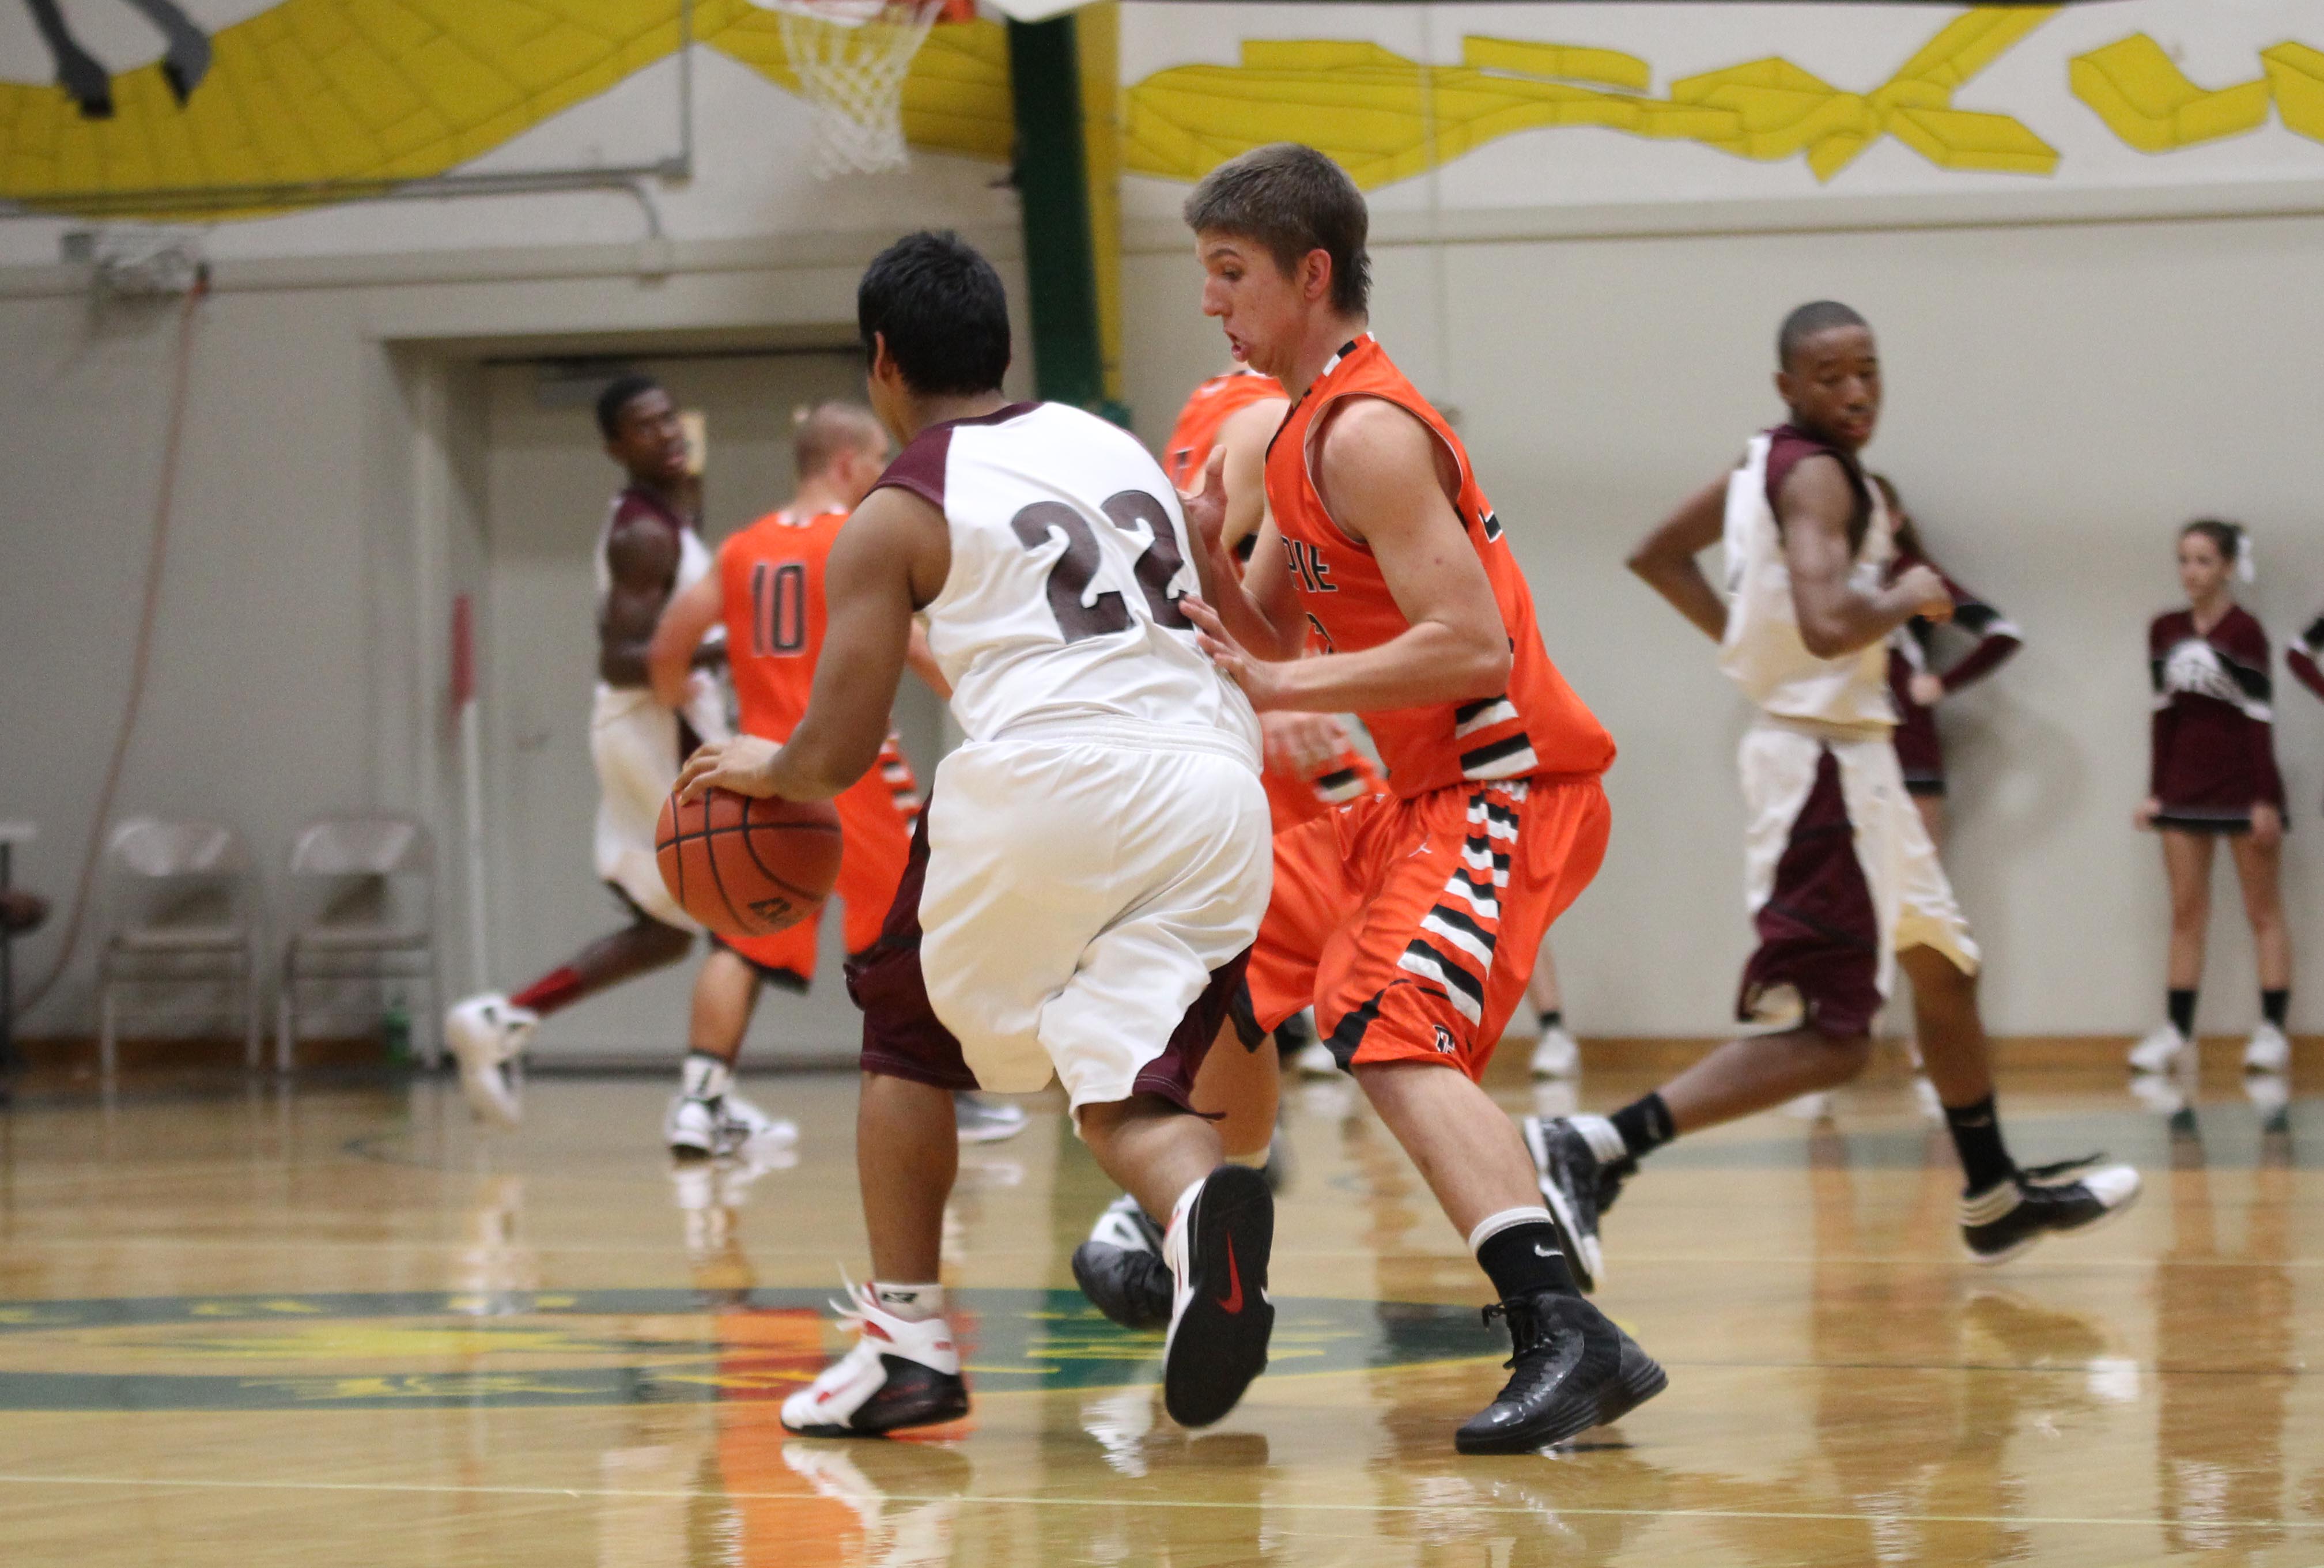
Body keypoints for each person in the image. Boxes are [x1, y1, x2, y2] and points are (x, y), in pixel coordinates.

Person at [1087, 143, 1664, 1454]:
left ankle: (1564, 1329)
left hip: (1506, 781)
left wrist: (1280, 676)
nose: (1209, 301)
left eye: (1229, 273)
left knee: (1385, 1022)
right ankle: (1200, 1219)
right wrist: (1203, 558)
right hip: (1413, 798)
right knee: (1234, 957)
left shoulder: (1367, 432)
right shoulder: (1297, 435)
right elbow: (1268, 637)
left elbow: (1471, 647)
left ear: (1311, 274)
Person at [675, 230, 1278, 1437]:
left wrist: (762, 763)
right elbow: (1237, 621)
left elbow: (834, 754)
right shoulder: (1111, 446)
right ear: (999, 349)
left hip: (1056, 779)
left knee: (906, 1039)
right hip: (1217, 788)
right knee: (1121, 1073)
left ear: (881, 360)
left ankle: (907, 1347)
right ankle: (1195, 1214)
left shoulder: (899, 507)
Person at [1538, 301, 2138, 1280]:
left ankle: (1991, 1192)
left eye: (1867, 371)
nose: (1855, 393)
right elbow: (1825, 625)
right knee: (1830, 1041)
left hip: (1849, 756)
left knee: (1943, 970)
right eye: (1830, 378)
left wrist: (1752, 647)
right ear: (1788, 387)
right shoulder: (1819, 476)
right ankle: (1596, 1145)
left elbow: (1657, 555)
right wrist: (1909, 594)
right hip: (1821, 767)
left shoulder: (1761, 464)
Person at [645, 403, 1024, 1156]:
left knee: (740, 942)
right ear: (846, 462)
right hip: (853, 764)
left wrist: (689, 707)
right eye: (878, 457)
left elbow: (666, 653)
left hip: (758, 773)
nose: (884, 471)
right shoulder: (856, 537)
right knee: (913, 930)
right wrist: (1004, 714)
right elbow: (918, 651)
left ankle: (698, 1101)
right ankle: (940, 1093)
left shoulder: (742, 549)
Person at [441, 376, 784, 1150]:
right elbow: (624, 658)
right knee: (750, 902)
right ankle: (707, 1101)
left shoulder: (673, 514)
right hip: (653, 726)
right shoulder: (643, 535)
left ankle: (505, 1019)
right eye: (643, 425)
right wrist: (730, 644)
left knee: (666, 931)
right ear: (614, 447)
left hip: (658, 725)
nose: (665, 432)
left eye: (669, 417)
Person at [1163, 360, 1385, 1085]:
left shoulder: (1207, 402)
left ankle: (1270, 1048)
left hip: (1211, 697)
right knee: (1387, 863)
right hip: (1240, 697)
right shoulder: (1267, 420)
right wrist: (1276, 692)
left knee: (1242, 906)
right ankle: (1342, 1022)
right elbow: (1190, 577)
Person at [2128, 521, 2293, 1075]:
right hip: (2182, 789)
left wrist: (2264, 796)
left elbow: (2259, 719)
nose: (2190, 572)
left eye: (2202, 561)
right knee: (2185, 913)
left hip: (2244, 788)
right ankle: (2177, 1032)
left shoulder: (2245, 632)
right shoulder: (2164, 629)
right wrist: (2156, 791)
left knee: (2262, 910)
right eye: (2183, 559)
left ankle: (2271, 1032)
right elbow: (2163, 717)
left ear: (2226, 567)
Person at [1873, 475, 2023, 851]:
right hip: (1845, 740)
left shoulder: (1914, 575)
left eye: (1873, 512)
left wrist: (1942, 684)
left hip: (1907, 738)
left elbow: (2003, 633)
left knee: (1918, 871)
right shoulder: (1828, 579)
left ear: (1895, 520)